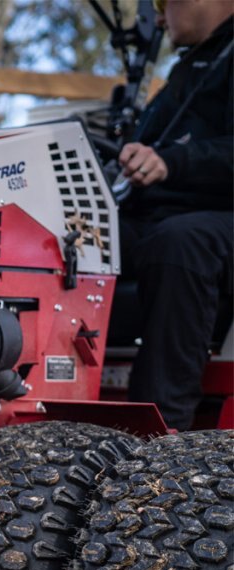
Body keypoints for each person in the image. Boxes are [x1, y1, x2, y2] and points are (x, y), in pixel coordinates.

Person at [114, 0, 233, 430]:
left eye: (164, 3)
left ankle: (160, 443)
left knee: (181, 242)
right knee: (81, 238)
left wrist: (171, 162)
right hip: (161, 217)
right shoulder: (189, 68)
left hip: (214, 220)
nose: (159, 19)